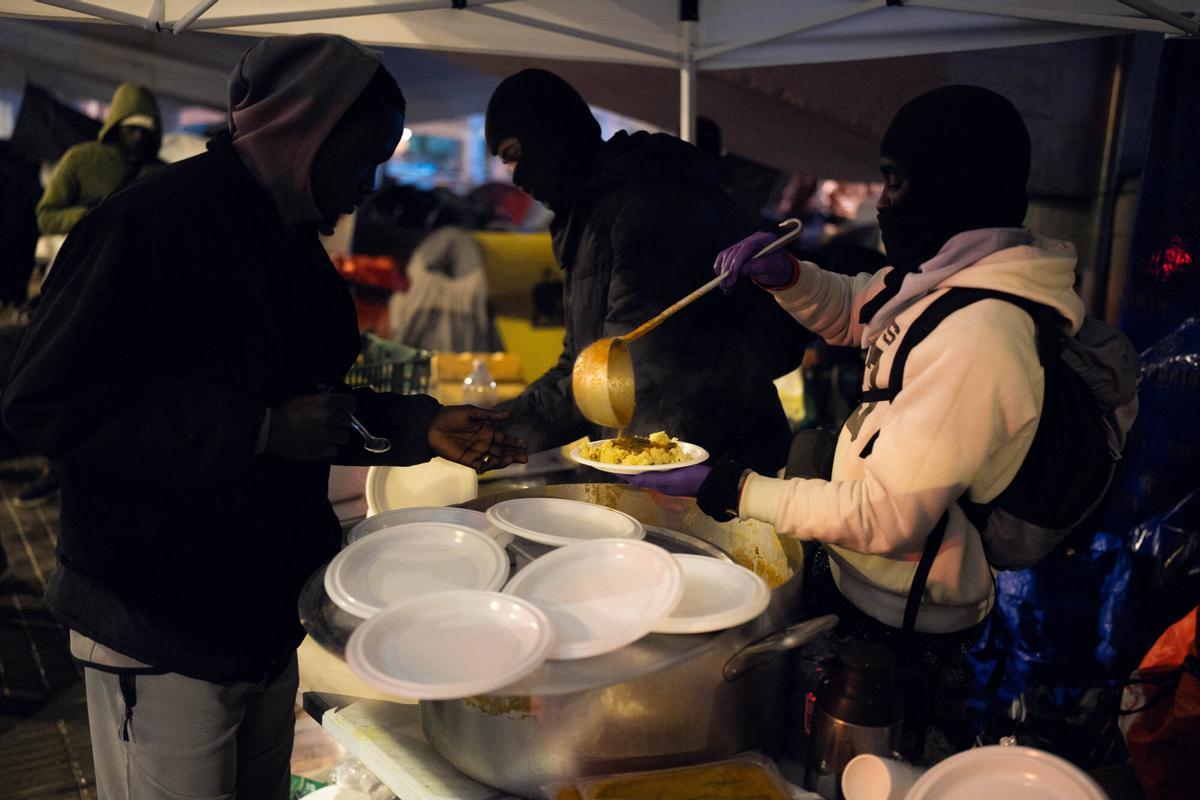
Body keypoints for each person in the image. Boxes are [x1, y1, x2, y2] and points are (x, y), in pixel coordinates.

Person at [1, 34, 526, 798]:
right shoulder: (150, 224)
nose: (370, 183)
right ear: (305, 128)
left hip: (261, 614)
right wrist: (258, 429)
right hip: (156, 619)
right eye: (364, 156)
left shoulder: (292, 248)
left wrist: (421, 428)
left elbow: (315, 411)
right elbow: (45, 401)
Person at [633, 86, 1084, 748]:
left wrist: (728, 486)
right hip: (862, 579)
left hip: (908, 624)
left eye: (895, 181)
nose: (881, 202)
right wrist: (787, 275)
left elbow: (886, 517)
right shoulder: (941, 276)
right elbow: (857, 309)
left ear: (951, 183)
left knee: (861, 763)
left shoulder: (981, 334)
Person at [485, 69, 806, 474]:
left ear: (553, 135)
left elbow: (634, 370)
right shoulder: (588, 217)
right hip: (653, 456)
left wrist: (494, 433)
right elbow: (581, 361)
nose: (515, 177)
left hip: (705, 464)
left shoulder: (648, 207)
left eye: (516, 154)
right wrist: (499, 425)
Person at [36, 82, 164, 236]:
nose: (138, 136)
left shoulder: (160, 174)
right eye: (132, 128)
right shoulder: (82, 158)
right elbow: (45, 217)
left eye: (145, 130)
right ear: (117, 126)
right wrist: (86, 216)